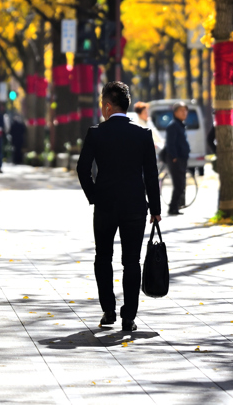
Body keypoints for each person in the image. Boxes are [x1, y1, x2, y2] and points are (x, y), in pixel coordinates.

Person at [76, 81, 161, 332]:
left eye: (103, 104)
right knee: (131, 262)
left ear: (108, 105)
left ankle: (108, 310)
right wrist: (155, 209)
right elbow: (151, 175)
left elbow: (82, 169)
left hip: (104, 206)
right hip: (135, 206)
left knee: (103, 257)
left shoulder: (96, 133)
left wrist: (94, 196)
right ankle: (129, 317)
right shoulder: (143, 135)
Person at [165, 102, 190, 216]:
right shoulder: (173, 125)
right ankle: (172, 207)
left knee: (181, 184)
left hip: (182, 159)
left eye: (185, 110)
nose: (184, 113)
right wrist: (174, 157)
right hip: (176, 159)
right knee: (179, 185)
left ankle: (175, 207)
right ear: (175, 113)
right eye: (181, 110)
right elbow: (170, 144)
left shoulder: (181, 124)